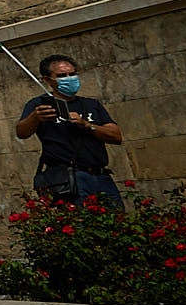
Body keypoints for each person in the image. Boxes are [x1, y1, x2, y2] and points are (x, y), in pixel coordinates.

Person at [16, 54, 124, 208]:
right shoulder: (39, 105)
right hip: (69, 179)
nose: (69, 78)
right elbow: (21, 132)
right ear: (48, 80)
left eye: (72, 74)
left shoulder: (90, 104)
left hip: (101, 176)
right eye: (61, 76)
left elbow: (116, 136)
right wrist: (35, 117)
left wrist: (87, 125)